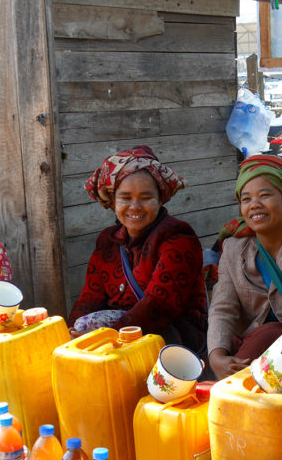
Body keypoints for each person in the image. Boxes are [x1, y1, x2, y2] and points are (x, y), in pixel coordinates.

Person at [67, 146, 207, 352]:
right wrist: (72, 332)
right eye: (125, 197)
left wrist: (107, 339)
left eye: (145, 197)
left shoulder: (179, 239)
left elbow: (158, 307)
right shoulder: (108, 241)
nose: (135, 206)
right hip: (117, 336)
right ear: (113, 201)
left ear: (160, 200)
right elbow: (90, 297)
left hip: (171, 338)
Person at [208, 155, 282, 379]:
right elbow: (222, 308)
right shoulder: (234, 249)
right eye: (246, 199)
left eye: (265, 195)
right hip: (249, 349)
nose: (254, 205)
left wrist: (277, 369)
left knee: (272, 333)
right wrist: (217, 356)